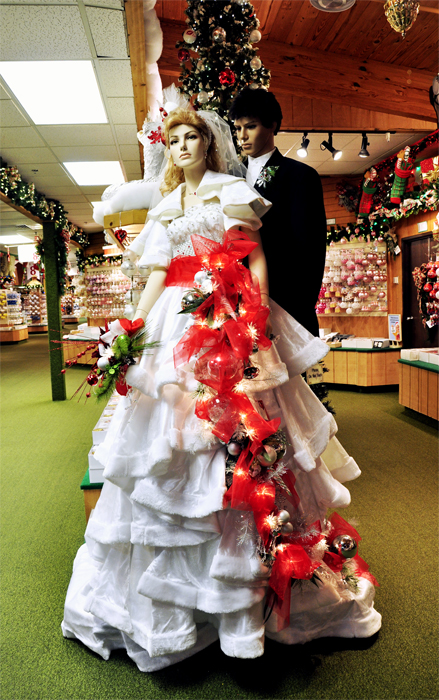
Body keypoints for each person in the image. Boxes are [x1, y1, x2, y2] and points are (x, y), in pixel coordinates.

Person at [62, 108, 380, 672]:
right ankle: (180, 609)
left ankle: (252, 592)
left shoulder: (232, 191)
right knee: (173, 443)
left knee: (244, 437)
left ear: (210, 144)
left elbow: (253, 254)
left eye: (193, 137)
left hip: (228, 315)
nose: (183, 146)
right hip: (173, 322)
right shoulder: (164, 207)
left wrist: (254, 314)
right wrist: (132, 329)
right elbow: (159, 273)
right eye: (175, 139)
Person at [229, 89, 327, 337]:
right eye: (237, 128)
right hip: (234, 307)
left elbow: (311, 250)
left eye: (250, 126)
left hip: (286, 306)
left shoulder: (300, 176)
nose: (242, 136)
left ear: (272, 125)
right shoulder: (231, 179)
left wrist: (299, 308)